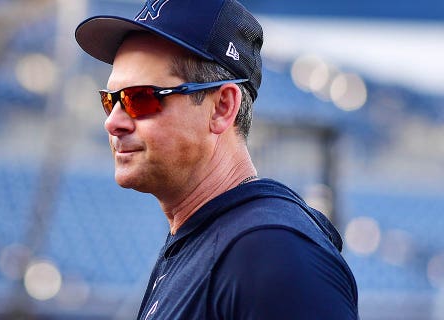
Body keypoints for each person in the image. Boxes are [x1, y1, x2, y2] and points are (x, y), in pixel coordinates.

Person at [75, 0, 359, 319]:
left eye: (139, 98)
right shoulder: (210, 237)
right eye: (110, 99)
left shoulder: (271, 252)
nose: (113, 121)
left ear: (222, 107)